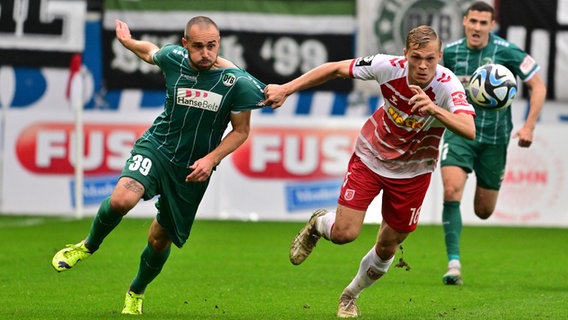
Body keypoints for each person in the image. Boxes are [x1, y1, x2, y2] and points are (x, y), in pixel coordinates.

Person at [51, 17, 268, 315]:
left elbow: (241, 131)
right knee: (121, 199)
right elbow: (149, 52)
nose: (205, 53)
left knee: (159, 237)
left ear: (219, 44)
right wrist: (128, 43)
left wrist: (211, 159)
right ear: (185, 45)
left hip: (192, 169)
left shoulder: (236, 82)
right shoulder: (173, 59)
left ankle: (136, 291)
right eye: (198, 46)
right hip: (157, 147)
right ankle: (87, 245)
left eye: (212, 46)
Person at [263, 25, 476, 318]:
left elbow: (469, 129)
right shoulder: (387, 66)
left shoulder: (448, 85)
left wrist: (435, 110)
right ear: (405, 55)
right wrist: (286, 89)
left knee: (388, 246)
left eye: (430, 58)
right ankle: (319, 224)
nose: (423, 65)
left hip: (413, 173)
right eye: (416, 58)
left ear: (440, 55)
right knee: (344, 234)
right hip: (371, 157)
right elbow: (337, 68)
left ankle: (350, 296)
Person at [440, 1, 546, 286]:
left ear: (491, 25)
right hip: (460, 133)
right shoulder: (449, 53)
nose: (477, 28)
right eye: (472, 21)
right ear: (464, 21)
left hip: (495, 139)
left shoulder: (507, 51)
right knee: (451, 190)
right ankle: (454, 264)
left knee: (483, 211)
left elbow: (538, 85)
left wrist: (528, 126)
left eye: (483, 23)